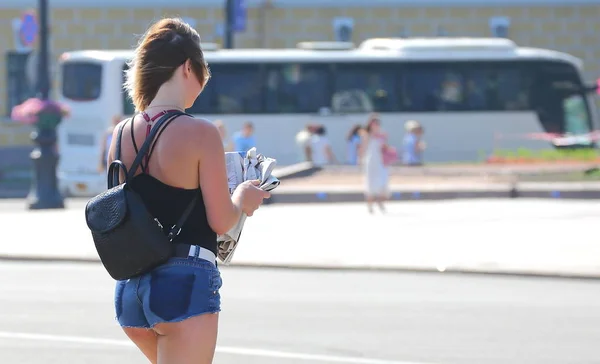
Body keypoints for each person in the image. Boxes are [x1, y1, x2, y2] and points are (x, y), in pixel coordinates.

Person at [107, 18, 270, 364]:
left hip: (131, 291)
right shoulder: (200, 133)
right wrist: (243, 196)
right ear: (187, 67)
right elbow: (221, 220)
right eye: (203, 69)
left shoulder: (120, 134)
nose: (205, 79)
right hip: (184, 284)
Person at [360, 114, 390, 213]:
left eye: (377, 123)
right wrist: (360, 159)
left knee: (382, 181)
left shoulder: (382, 134)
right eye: (374, 123)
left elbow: (384, 147)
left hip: (380, 160)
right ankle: (370, 205)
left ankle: (380, 202)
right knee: (370, 182)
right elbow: (363, 147)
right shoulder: (366, 134)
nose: (376, 125)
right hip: (371, 160)